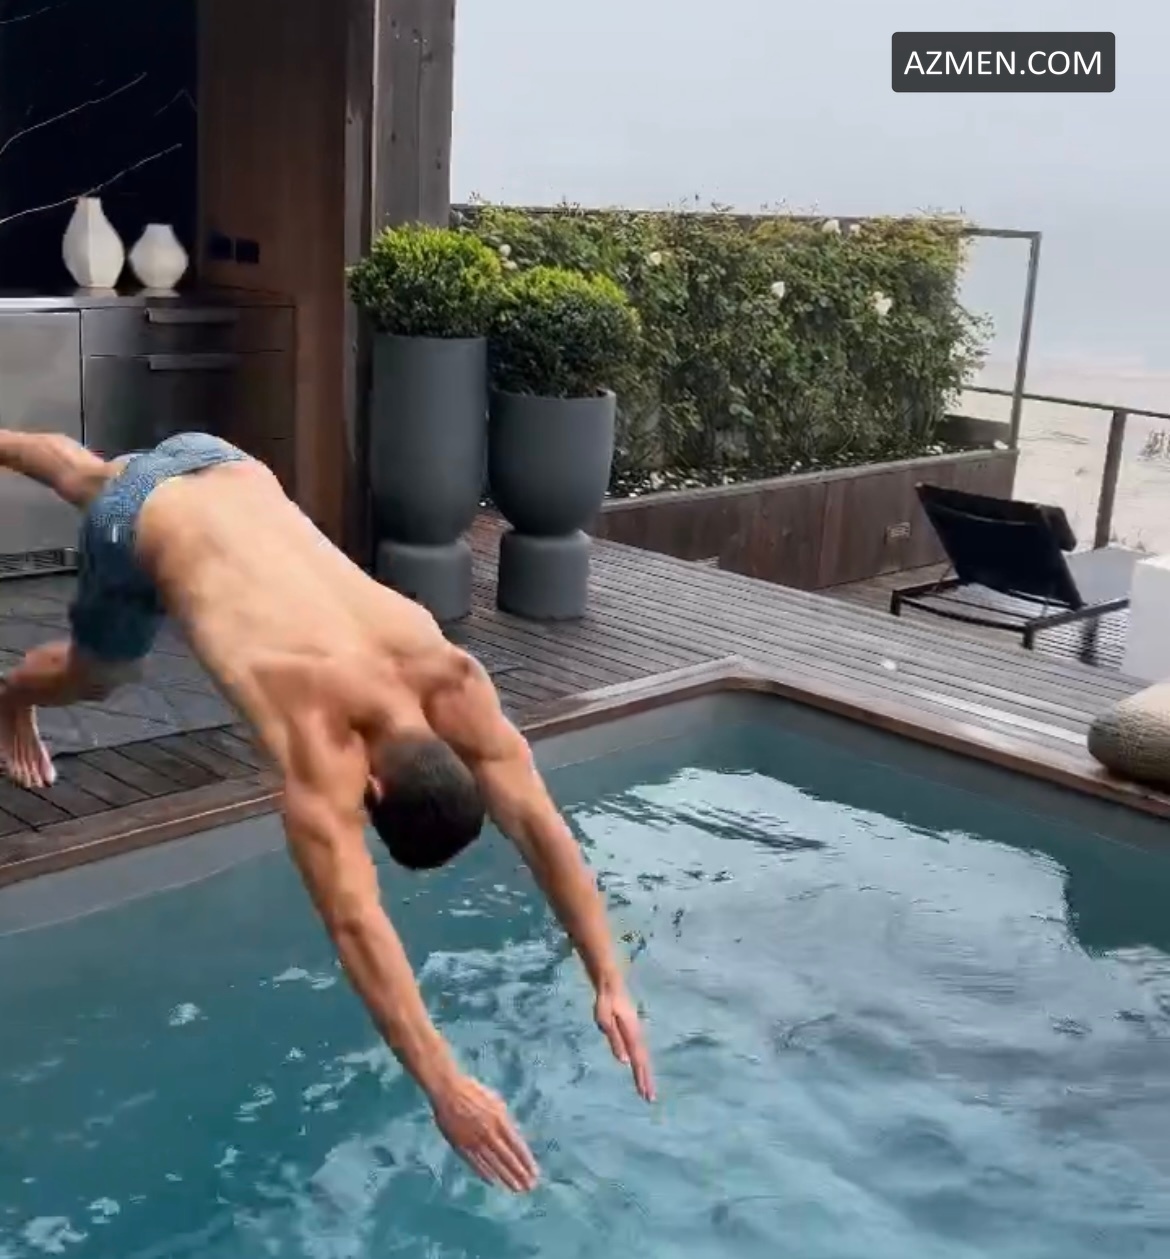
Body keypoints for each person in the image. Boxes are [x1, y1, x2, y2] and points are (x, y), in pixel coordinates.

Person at [0, 430, 654, 1193]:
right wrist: (446, 1086)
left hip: (222, 463)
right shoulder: (318, 752)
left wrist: (608, 974)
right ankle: (12, 698)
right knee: (99, 673)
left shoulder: (448, 676)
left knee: (85, 471)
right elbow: (356, 924)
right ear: (370, 792)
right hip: (137, 520)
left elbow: (540, 824)